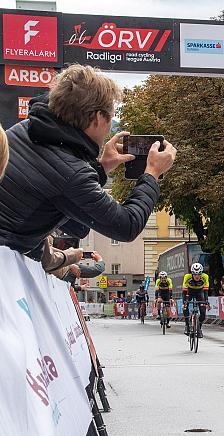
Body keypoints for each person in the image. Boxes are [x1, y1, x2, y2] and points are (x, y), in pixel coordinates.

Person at [0, 64, 176, 261]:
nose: (110, 127)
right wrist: (152, 173)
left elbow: (72, 214)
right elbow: (127, 225)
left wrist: (101, 167)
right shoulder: (72, 175)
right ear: (98, 118)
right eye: (111, 117)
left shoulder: (25, 128)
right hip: (7, 264)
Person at [182, 263, 210, 338]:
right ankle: (187, 326)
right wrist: (184, 302)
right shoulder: (187, 277)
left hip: (199, 292)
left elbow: (206, 291)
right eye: (195, 274)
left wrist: (206, 301)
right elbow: (184, 291)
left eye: (199, 274)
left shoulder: (205, 277)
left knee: (203, 313)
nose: (197, 276)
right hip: (189, 292)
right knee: (185, 306)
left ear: (202, 273)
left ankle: (199, 328)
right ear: (192, 274)